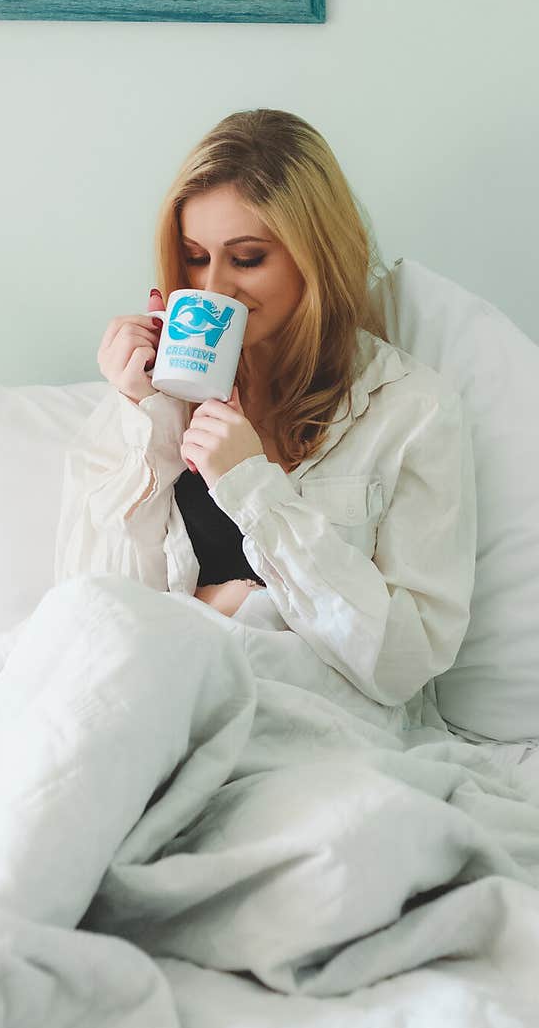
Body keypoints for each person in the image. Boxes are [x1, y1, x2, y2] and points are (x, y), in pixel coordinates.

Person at [53, 108, 477, 721]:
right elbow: (82, 626)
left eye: (247, 258)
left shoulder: (411, 411)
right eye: (195, 257)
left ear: (317, 259)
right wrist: (141, 423)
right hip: (149, 713)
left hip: (310, 731)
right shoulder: (153, 398)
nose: (214, 286)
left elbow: (401, 662)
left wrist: (253, 494)